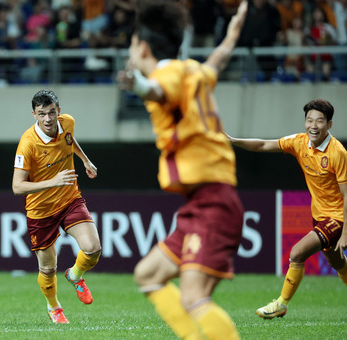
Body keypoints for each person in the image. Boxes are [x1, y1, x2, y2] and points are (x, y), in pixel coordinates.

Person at [116, 1, 248, 339]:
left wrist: (138, 85)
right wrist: (233, 30)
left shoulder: (167, 74)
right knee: (148, 274)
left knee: (193, 296)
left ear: (142, 47)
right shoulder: (194, 70)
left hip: (213, 202)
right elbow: (218, 58)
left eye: (132, 43)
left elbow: (159, 92)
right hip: (202, 203)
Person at [227, 99, 347, 319]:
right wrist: (232, 140)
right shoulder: (299, 142)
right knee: (337, 262)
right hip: (319, 215)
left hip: (338, 217)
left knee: (297, 252)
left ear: (329, 124)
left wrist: (345, 232)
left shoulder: (338, 152)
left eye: (319, 121)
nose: (313, 125)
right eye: (309, 120)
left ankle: (281, 304)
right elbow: (262, 145)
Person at [12, 90, 101, 325]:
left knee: (93, 249)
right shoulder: (27, 144)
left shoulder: (67, 122)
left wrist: (85, 160)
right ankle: (54, 307)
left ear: (58, 111)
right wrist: (53, 181)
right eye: (42, 114)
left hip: (69, 199)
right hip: (41, 211)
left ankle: (75, 275)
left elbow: (69, 140)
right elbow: (17, 187)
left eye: (52, 112)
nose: (48, 119)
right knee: (48, 269)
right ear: (34, 115)